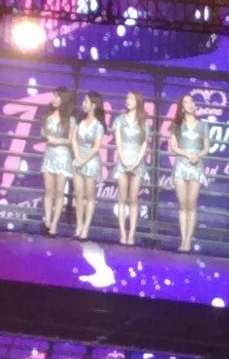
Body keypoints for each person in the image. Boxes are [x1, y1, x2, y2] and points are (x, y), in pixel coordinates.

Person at [169, 93, 210, 252]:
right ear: (182, 107)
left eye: (192, 101)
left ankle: (188, 240)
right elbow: (174, 147)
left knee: (192, 203)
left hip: (196, 166)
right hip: (181, 165)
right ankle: (183, 239)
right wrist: (187, 154)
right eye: (186, 102)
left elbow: (206, 148)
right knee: (183, 203)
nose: (190, 104)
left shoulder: (203, 126)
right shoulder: (177, 126)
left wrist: (197, 155)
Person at [112, 91, 150, 246]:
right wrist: (123, 160)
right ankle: (122, 233)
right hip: (123, 162)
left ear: (138, 102)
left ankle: (132, 234)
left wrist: (136, 163)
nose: (128, 100)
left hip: (137, 163)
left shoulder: (143, 122)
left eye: (131, 98)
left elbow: (144, 144)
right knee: (122, 198)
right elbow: (118, 142)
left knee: (134, 199)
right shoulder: (119, 120)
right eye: (127, 98)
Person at [40, 87, 77, 236]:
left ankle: (55, 224)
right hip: (49, 155)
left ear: (64, 99)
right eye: (54, 96)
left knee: (59, 192)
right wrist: (47, 137)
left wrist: (57, 140)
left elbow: (71, 140)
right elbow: (42, 133)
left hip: (62, 156)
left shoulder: (70, 119)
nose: (54, 99)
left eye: (57, 97)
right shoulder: (48, 115)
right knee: (48, 190)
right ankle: (47, 221)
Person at [71, 92, 107, 240]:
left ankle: (86, 227)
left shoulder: (98, 126)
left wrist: (83, 160)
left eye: (86, 101)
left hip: (91, 162)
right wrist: (77, 157)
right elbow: (73, 140)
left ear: (93, 105)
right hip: (78, 160)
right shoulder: (79, 121)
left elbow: (96, 147)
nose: (83, 104)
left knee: (89, 197)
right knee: (79, 195)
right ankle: (79, 225)